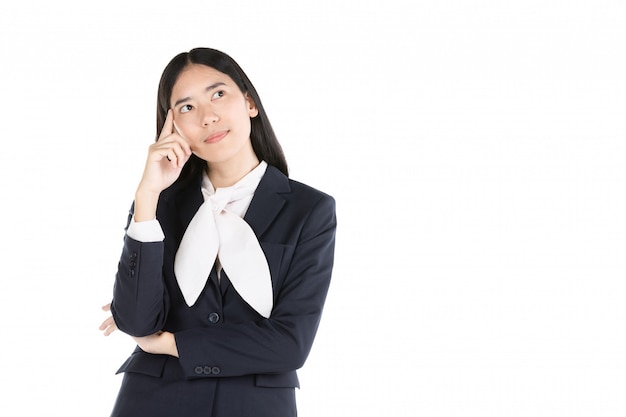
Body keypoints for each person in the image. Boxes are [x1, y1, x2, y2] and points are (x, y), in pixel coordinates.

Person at [99, 47, 337, 417]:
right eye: (187, 107)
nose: (208, 117)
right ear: (172, 125)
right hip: (152, 401)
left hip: (255, 405)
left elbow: (290, 344)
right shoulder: (159, 203)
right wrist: (146, 195)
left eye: (218, 94)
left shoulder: (309, 210)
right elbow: (135, 321)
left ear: (250, 102)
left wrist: (173, 343)